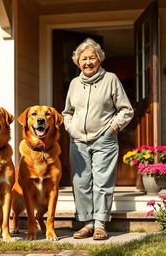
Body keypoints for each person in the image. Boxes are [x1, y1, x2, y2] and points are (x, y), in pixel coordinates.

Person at [62, 38, 134, 240]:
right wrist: (70, 127)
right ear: (78, 62)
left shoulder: (110, 79)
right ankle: (87, 224)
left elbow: (126, 110)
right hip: (77, 140)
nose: (88, 62)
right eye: (83, 58)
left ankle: (101, 224)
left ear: (99, 59)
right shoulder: (75, 83)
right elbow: (67, 112)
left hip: (104, 138)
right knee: (81, 183)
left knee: (102, 182)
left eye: (92, 57)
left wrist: (112, 128)